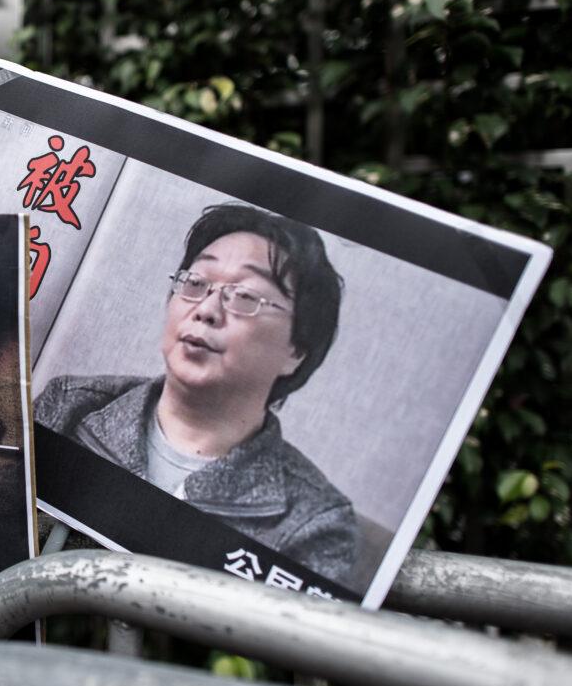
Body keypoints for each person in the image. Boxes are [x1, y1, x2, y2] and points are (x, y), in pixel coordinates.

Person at [35, 203, 357, 584]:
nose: (206, 309)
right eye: (195, 283)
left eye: (245, 296)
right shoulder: (71, 404)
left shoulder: (314, 520)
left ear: (296, 351)